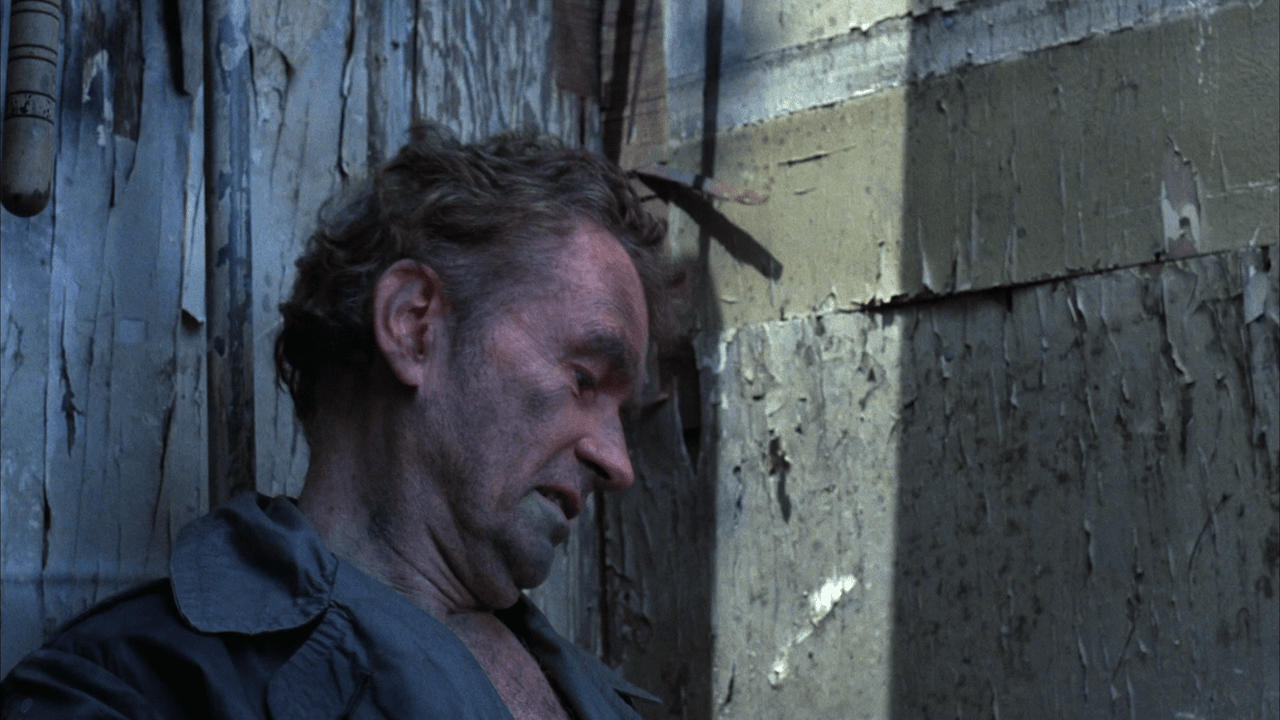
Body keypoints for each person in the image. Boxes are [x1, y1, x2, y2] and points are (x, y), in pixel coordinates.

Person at [1, 123, 678, 719]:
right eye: (584, 379)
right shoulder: (131, 690)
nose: (618, 464)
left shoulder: (595, 690)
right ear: (414, 324)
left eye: (622, 414)